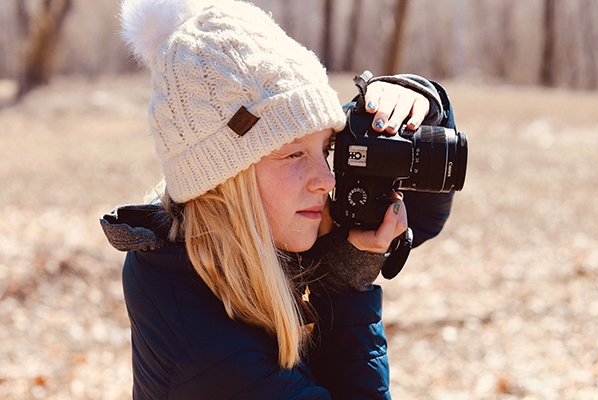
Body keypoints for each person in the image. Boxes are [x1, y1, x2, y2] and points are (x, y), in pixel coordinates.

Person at [101, 0, 457, 398]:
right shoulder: (214, 360)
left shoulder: (218, 241)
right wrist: (342, 284)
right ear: (223, 180)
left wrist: (418, 108)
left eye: (327, 148)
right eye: (293, 154)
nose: (325, 180)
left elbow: (420, 216)